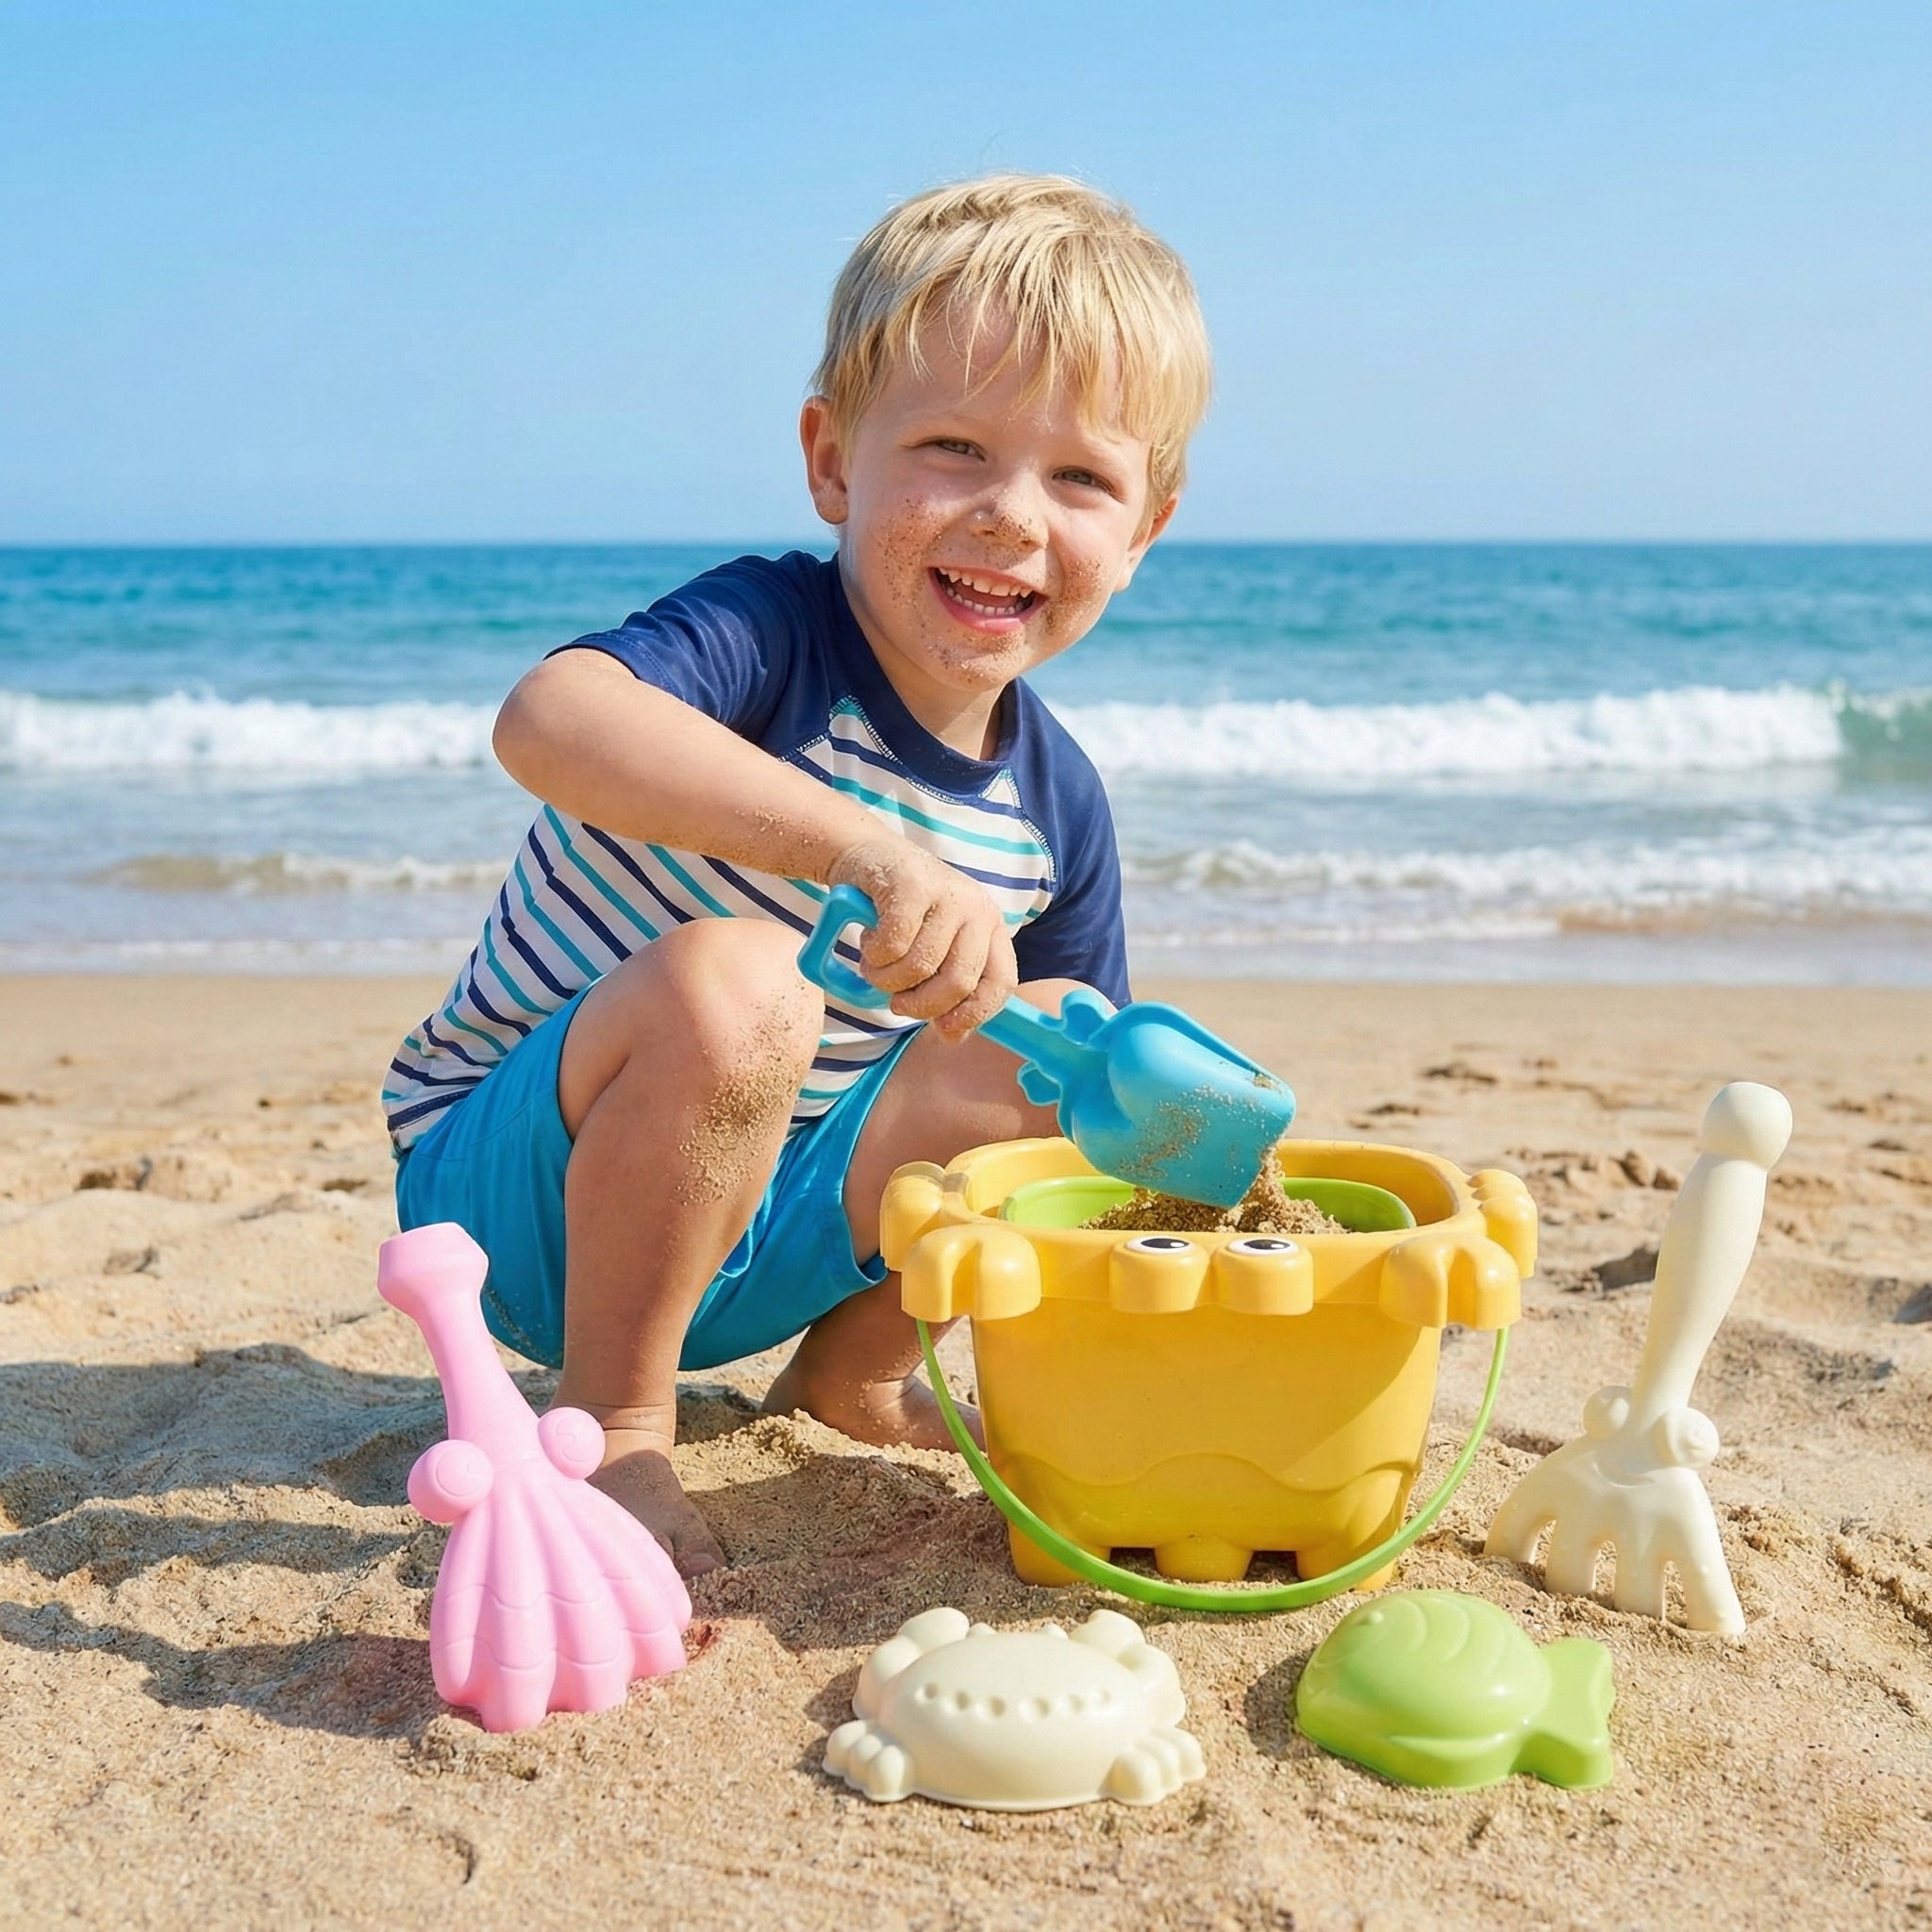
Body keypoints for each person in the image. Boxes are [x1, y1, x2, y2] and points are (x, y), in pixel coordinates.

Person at [385, 174, 1211, 1576]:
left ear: (1144, 531)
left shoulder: (1057, 806)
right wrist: (863, 847)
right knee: (744, 981)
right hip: (513, 1203)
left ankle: (856, 1374)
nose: (1013, 516)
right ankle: (621, 1420)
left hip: (771, 1237)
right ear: (833, 463)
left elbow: (1082, 1119)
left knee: (1068, 1058)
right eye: (953, 449)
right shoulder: (770, 634)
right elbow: (549, 721)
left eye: (1080, 479)